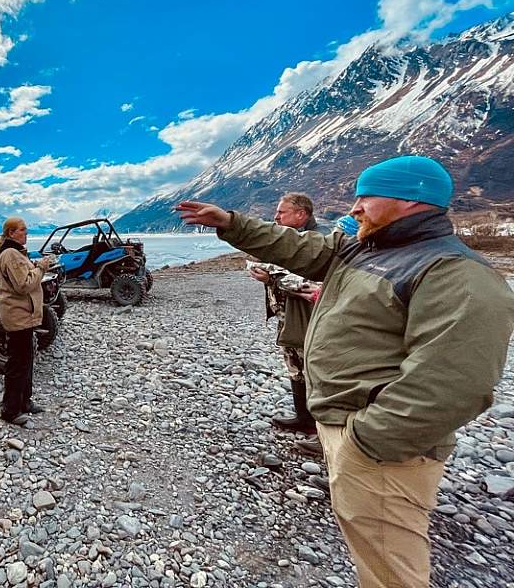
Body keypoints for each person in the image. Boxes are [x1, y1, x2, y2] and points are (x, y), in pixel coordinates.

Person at [175, 155, 514, 588]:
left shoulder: (454, 273)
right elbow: (295, 247)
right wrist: (230, 223)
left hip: (381, 445)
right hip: (346, 426)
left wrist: (367, 441)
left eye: (366, 197)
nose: (354, 208)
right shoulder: (366, 248)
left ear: (410, 201)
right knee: (371, 550)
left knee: (392, 566)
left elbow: (455, 382)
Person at [246, 193, 320, 452]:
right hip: (288, 316)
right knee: (294, 365)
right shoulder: (290, 243)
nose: (276, 217)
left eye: (282, 213)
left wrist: (272, 278)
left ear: (301, 214)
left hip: (309, 320)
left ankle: (323, 431)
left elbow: (312, 285)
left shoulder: (315, 244)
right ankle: (304, 418)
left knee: (314, 370)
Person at [0, 217, 54, 426]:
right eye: (22, 230)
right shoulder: (10, 254)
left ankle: (25, 401)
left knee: (26, 360)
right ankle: (11, 410)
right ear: (11, 234)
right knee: (18, 363)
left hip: (23, 314)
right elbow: (24, 285)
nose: (26, 233)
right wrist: (41, 267)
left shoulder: (15, 253)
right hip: (18, 316)